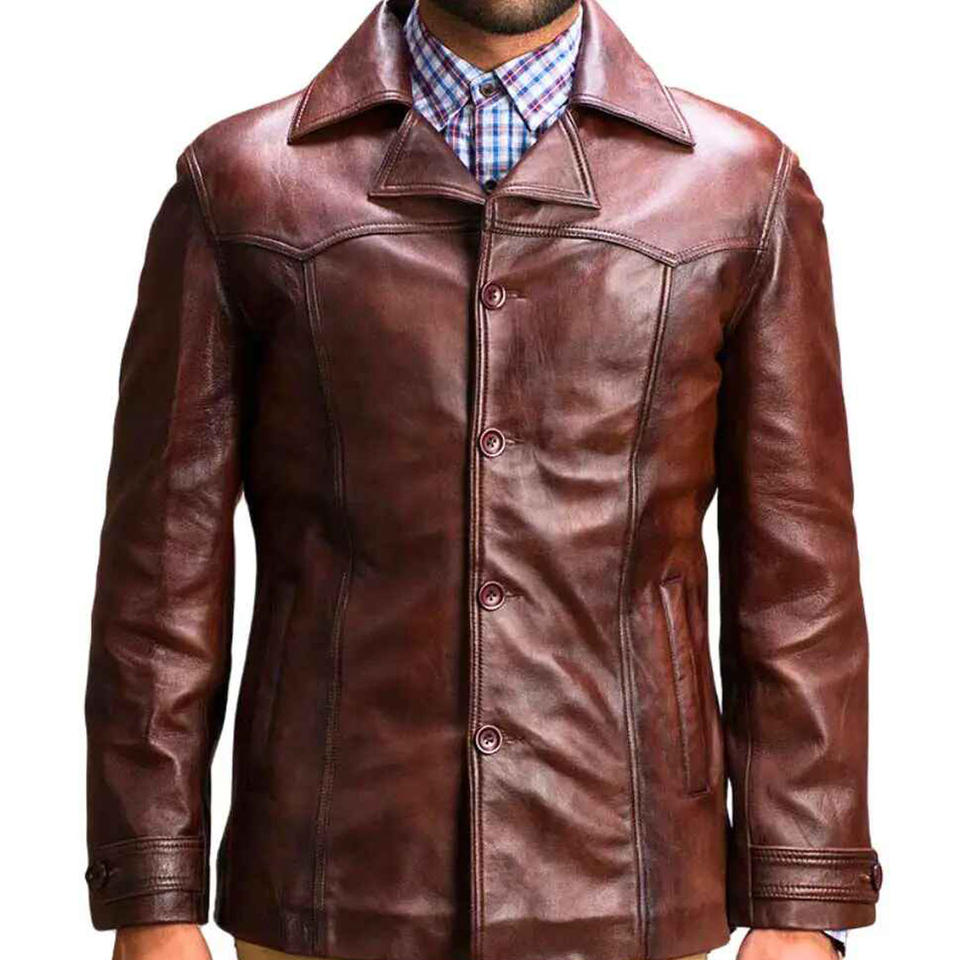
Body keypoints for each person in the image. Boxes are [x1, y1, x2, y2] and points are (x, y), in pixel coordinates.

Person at [84, 1, 882, 958]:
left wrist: (801, 901)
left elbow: (799, 583)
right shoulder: (245, 185)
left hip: (631, 884)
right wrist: (152, 894)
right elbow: (159, 579)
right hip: (323, 884)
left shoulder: (739, 187)